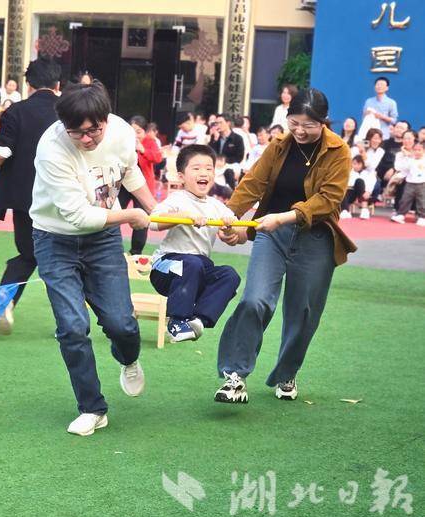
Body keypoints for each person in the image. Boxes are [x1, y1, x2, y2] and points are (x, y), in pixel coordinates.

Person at [29, 81, 156, 436]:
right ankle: (92, 408)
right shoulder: (52, 149)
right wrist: (131, 216)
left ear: (106, 119)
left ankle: (128, 358)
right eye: (77, 132)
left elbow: (130, 171)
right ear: (64, 126)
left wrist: (154, 208)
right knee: (72, 326)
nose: (87, 139)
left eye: (93, 130)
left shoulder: (121, 132)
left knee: (121, 324)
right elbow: (79, 216)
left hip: (103, 239)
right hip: (54, 238)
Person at [214, 88, 356, 404]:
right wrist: (230, 215)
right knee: (254, 300)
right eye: (295, 123)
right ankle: (235, 376)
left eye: (309, 125)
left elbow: (329, 199)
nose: (300, 131)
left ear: (324, 121)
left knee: (303, 313)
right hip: (272, 234)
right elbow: (253, 183)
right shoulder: (279, 145)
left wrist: (285, 217)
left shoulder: (339, 151)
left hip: (315, 238)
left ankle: (287, 372)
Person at [0, 58, 62, 334]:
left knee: (28, 253)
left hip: (25, 197)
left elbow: (2, 152)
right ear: (58, 85)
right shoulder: (69, 111)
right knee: (66, 259)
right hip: (63, 197)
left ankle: (6, 298)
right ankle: (71, 321)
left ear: (28, 84)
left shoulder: (15, 112)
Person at [148, 144, 241, 342]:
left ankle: (198, 320)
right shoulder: (177, 199)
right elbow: (154, 222)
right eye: (196, 168)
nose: (203, 173)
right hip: (165, 267)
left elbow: (236, 234)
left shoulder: (216, 206)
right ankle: (176, 321)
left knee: (229, 275)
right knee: (192, 263)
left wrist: (230, 229)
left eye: (209, 168)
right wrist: (183, 216)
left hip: (198, 270)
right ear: (181, 176)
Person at [119, 117, 160, 255]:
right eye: (132, 131)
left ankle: (136, 252)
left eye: (139, 131)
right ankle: (113, 247)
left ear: (145, 132)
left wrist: (142, 150)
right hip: (124, 184)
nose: (135, 135)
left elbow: (157, 158)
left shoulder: (150, 142)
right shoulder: (123, 141)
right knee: (115, 212)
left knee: (142, 218)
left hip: (143, 186)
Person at [391, 141, 425, 226]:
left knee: (422, 201)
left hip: (422, 184)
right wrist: (397, 177)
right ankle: (401, 215)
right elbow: (404, 170)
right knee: (405, 200)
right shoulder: (410, 160)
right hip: (410, 183)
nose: (417, 152)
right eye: (415, 150)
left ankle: (421, 217)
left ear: (423, 151)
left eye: (419, 150)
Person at [209, 114, 245, 184]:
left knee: (229, 172)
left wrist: (224, 161)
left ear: (228, 123)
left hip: (230, 165)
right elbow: (209, 153)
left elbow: (239, 157)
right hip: (216, 164)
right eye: (216, 123)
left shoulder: (237, 138)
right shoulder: (215, 137)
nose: (218, 125)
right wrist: (215, 140)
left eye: (220, 123)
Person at [340, 155, 375, 219]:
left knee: (359, 181)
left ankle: (364, 210)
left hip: (363, 194)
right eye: (354, 164)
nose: (356, 166)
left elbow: (371, 183)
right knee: (343, 189)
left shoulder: (368, 173)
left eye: (358, 164)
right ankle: (345, 211)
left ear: (362, 164)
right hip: (351, 194)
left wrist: (368, 191)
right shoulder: (350, 172)